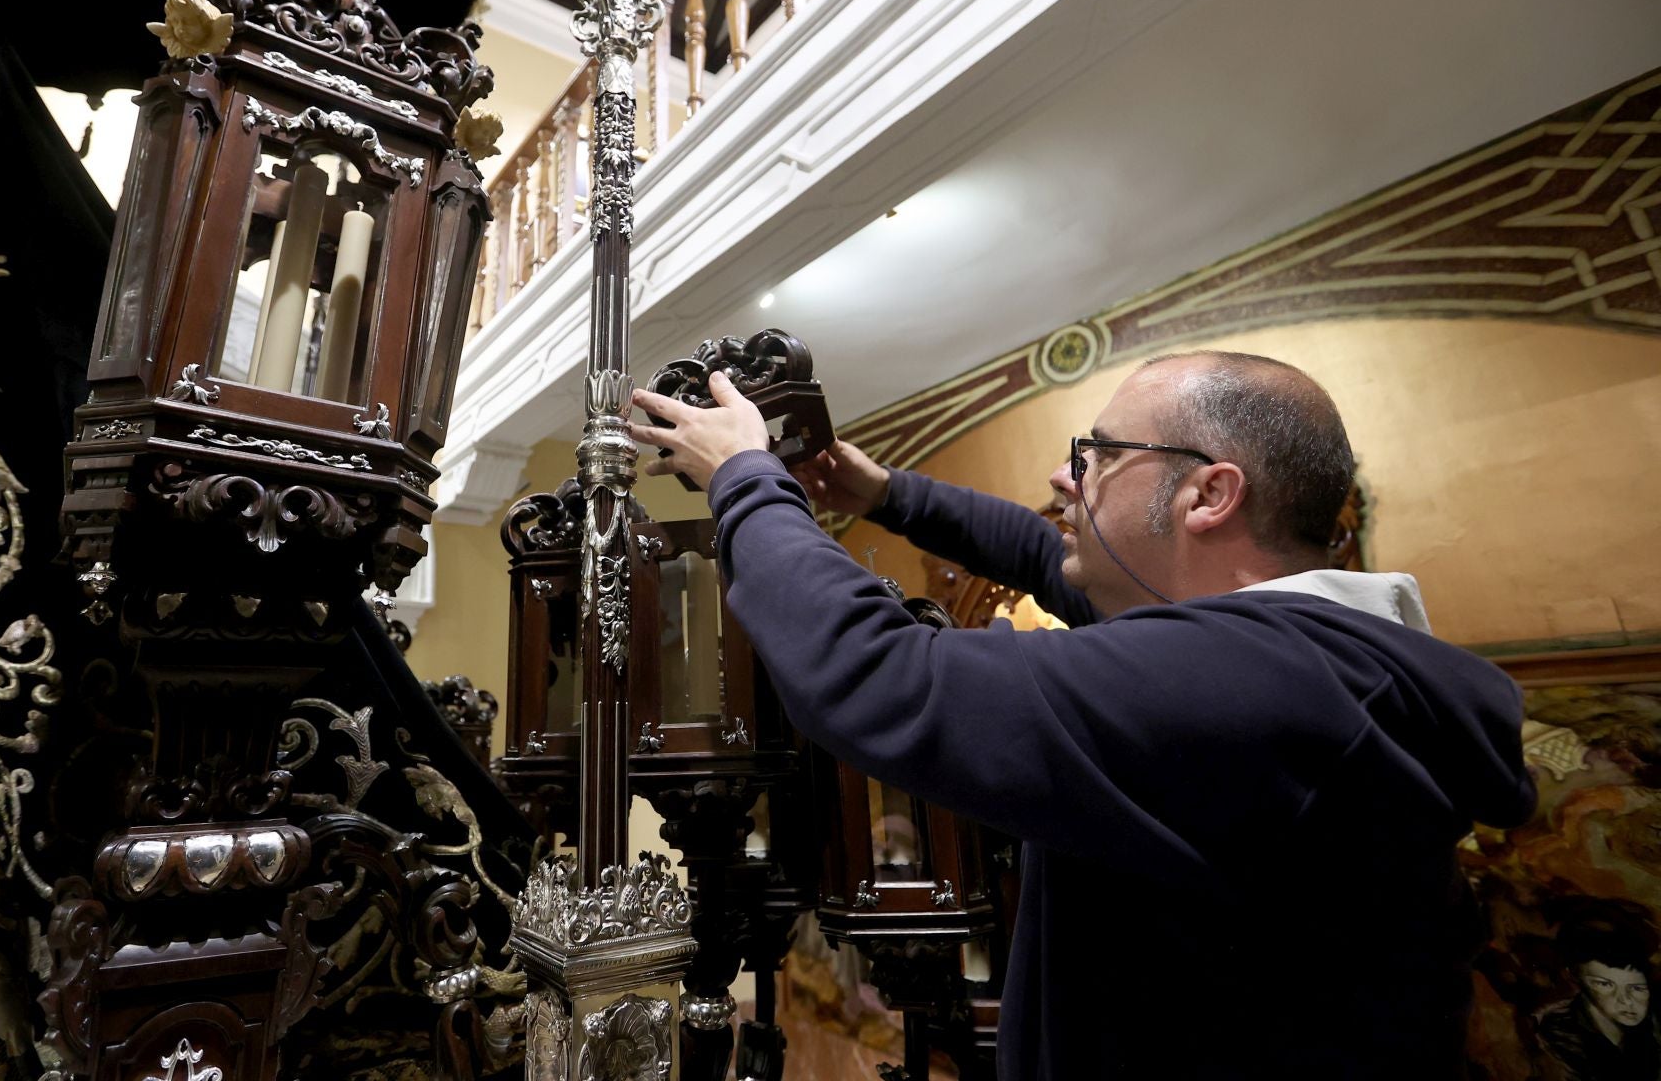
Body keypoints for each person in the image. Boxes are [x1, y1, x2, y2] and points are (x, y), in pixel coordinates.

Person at [630, 350, 1537, 1078]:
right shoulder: (1303, 655)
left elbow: (878, 675)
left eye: (1096, 456)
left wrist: (747, 480)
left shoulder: (1252, 686)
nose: (1064, 480)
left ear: (1208, 494)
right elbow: (1046, 555)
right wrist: (887, 497)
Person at [1536, 923, 1661, 1080]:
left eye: (1637, 987)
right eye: (1604, 984)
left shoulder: (1653, 1021)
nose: (1626, 1001)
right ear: (1575, 977)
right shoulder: (1554, 1032)